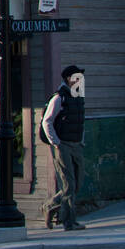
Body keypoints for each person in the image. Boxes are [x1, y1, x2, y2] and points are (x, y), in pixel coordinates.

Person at [42, 65, 86, 231]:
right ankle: (69, 222)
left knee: (77, 183)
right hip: (63, 145)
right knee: (68, 184)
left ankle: (50, 206)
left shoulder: (77, 96)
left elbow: (80, 120)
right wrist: (56, 143)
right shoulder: (59, 97)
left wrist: (81, 140)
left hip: (76, 145)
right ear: (68, 78)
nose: (80, 80)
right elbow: (47, 121)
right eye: (77, 77)